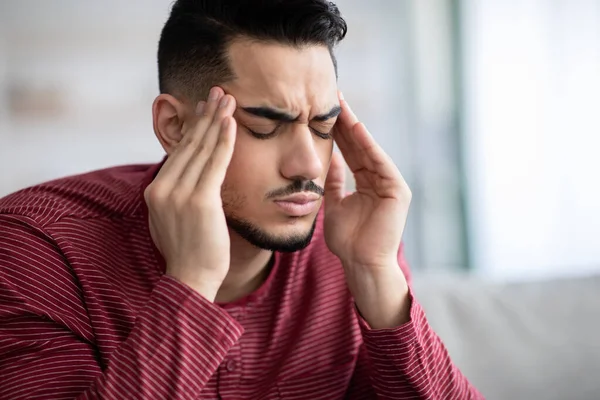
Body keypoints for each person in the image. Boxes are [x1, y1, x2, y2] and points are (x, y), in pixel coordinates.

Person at [0, 1, 483, 399]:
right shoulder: (31, 251)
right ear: (175, 127)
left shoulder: (350, 246)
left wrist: (378, 278)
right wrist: (190, 285)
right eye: (264, 127)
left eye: (322, 127)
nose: (308, 166)